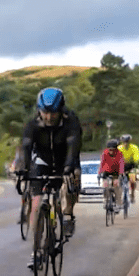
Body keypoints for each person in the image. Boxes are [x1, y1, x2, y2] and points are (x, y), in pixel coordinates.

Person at [16, 87, 81, 266]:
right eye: (45, 113)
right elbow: (26, 148)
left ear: (61, 110)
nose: (49, 117)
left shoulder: (71, 122)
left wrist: (68, 168)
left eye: (53, 113)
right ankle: (36, 251)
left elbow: (74, 147)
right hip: (42, 161)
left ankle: (67, 214)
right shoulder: (33, 124)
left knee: (71, 180)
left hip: (65, 160)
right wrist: (23, 169)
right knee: (36, 205)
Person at [98, 138, 126, 209]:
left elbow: (121, 163)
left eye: (112, 150)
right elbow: (102, 163)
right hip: (106, 172)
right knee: (105, 186)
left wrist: (121, 172)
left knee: (116, 185)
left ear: (115, 149)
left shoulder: (119, 154)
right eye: (109, 149)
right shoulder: (105, 153)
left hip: (115, 173)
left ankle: (118, 203)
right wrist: (99, 173)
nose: (111, 151)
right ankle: (106, 199)